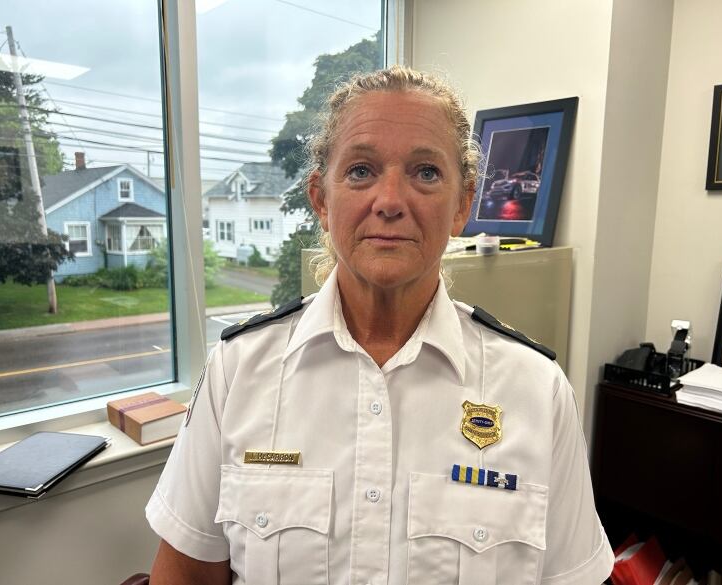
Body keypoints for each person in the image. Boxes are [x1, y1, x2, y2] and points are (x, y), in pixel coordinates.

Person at [146, 66, 615, 584]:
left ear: (463, 205)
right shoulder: (238, 371)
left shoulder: (536, 391)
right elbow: (185, 573)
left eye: (426, 173)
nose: (390, 201)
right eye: (362, 171)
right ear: (321, 200)